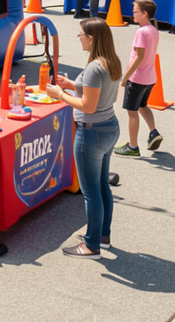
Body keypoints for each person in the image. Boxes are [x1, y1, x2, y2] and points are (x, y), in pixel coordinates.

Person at [45, 18, 122, 258]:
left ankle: (91, 245)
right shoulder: (112, 62)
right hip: (110, 127)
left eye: (81, 34)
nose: (78, 37)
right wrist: (71, 84)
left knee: (91, 192)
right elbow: (101, 96)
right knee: (101, 187)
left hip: (91, 132)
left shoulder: (93, 68)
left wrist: (60, 94)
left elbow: (88, 106)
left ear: (92, 38)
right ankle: (102, 236)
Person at [114, 0, 161, 157]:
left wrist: (125, 77)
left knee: (131, 112)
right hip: (150, 78)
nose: (132, 14)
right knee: (142, 106)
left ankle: (133, 146)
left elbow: (139, 57)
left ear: (144, 13)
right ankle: (153, 132)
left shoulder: (141, 32)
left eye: (135, 11)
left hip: (137, 78)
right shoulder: (153, 29)